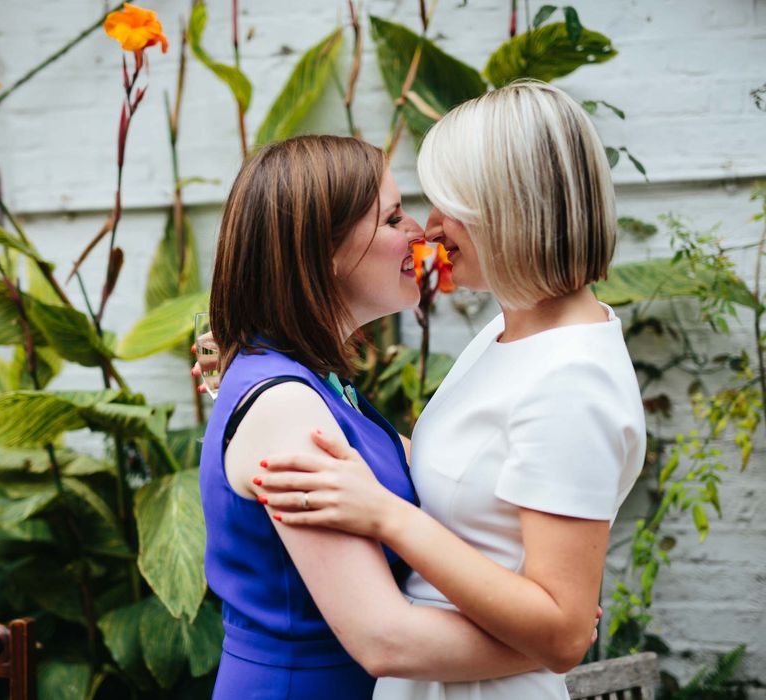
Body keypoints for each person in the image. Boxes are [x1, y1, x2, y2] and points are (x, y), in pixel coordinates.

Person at [248, 81, 647, 699]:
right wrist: (268, 376)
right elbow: (474, 469)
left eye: (444, 206)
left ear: (509, 209)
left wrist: (387, 516)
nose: (426, 230)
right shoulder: (507, 331)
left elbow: (564, 633)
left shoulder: (574, 379)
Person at [199, 134, 588, 700]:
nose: (422, 235)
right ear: (322, 252)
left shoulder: (317, 382)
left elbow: (436, 465)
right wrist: (549, 638)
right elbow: (386, 640)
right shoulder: (286, 405)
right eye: (393, 218)